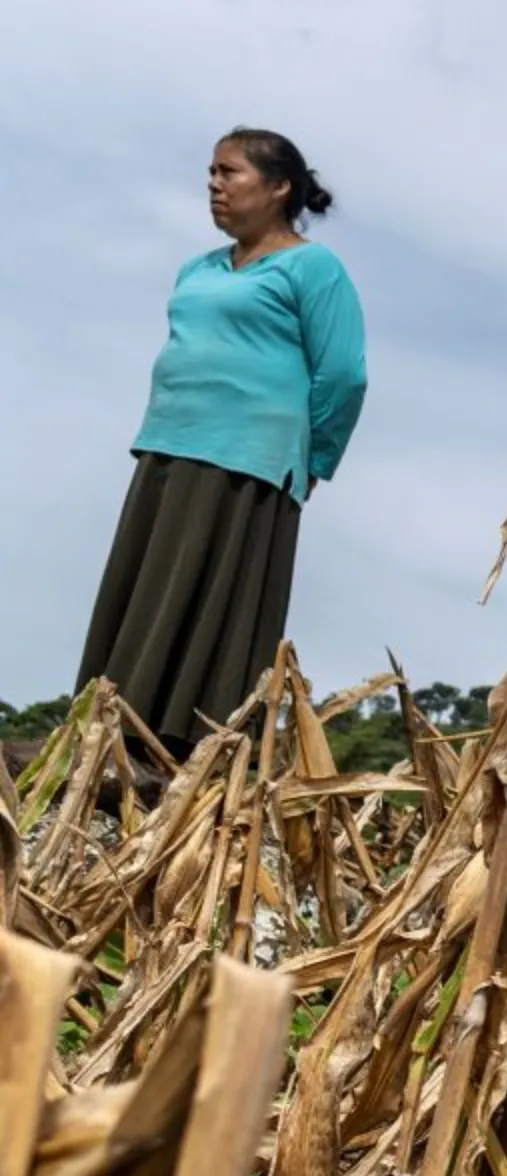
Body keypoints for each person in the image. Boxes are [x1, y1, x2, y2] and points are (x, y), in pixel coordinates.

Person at [77, 128, 368, 762]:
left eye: (229, 172)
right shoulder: (198, 268)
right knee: (146, 582)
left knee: (213, 592)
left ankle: (177, 745)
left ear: (279, 186)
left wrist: (314, 459)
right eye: (210, 172)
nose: (214, 184)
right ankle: (104, 731)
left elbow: (343, 373)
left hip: (248, 460)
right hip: (167, 445)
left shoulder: (311, 267)